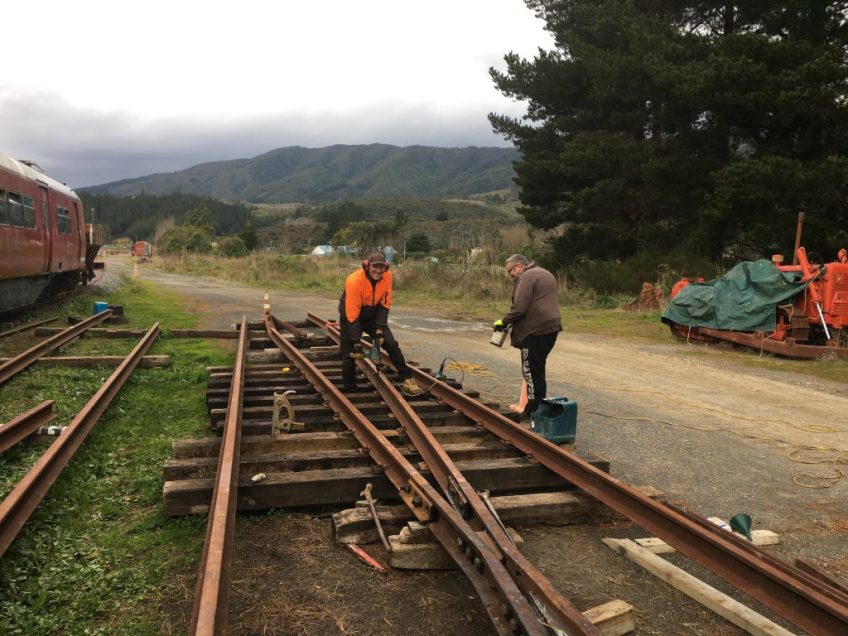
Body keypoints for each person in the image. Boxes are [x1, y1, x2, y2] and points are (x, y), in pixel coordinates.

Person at [493, 254, 562, 420]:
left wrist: (503, 321)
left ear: (518, 267)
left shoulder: (526, 276)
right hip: (550, 329)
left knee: (530, 373)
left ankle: (531, 412)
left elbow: (519, 307)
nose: (509, 275)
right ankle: (538, 411)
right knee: (537, 372)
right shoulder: (544, 273)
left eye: (509, 271)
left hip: (535, 331)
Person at [338, 251, 414, 392]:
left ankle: (406, 376)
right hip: (351, 316)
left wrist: (379, 330)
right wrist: (356, 342)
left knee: (390, 343)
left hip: (373, 314)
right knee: (349, 353)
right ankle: (350, 387)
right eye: (375, 267)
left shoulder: (387, 277)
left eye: (382, 267)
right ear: (367, 266)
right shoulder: (354, 281)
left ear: (386, 267)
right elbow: (352, 315)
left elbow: (385, 304)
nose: (379, 271)